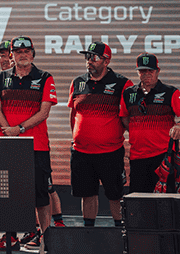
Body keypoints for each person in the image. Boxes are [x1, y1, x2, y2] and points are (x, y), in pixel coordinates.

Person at [0, 36, 57, 251]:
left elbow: (44, 111)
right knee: (9, 194)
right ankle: (10, 237)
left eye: (27, 51)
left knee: (40, 196)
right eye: (18, 51)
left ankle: (47, 240)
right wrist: (8, 131)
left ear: (33, 53)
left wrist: (18, 129)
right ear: (12, 55)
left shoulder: (45, 77)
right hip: (10, 146)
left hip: (36, 145)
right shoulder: (2, 78)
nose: (23, 54)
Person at [68, 42, 132, 227]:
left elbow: (127, 116)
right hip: (81, 152)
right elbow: (73, 114)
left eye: (94, 57)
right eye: (87, 57)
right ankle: (89, 235)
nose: (89, 61)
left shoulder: (122, 83)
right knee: (88, 194)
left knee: (115, 195)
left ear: (106, 60)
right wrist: (76, 138)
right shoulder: (78, 82)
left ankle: (122, 234)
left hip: (110, 152)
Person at [121, 53, 180, 193]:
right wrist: (138, 132)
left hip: (163, 156)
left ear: (157, 71)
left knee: (165, 201)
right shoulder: (128, 94)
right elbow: (124, 117)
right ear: (138, 72)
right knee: (140, 202)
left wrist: (178, 125)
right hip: (137, 157)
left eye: (150, 71)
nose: (146, 74)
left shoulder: (171, 92)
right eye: (142, 71)